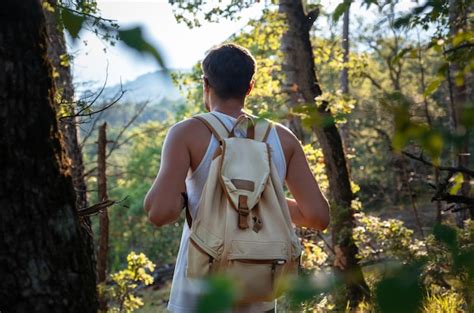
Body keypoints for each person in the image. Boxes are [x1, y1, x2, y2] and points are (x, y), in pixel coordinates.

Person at [144, 43, 330, 313]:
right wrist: (262, 199)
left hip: (198, 294)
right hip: (259, 292)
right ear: (250, 86)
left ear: (206, 83)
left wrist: (192, 196)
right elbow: (318, 216)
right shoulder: (283, 138)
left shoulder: (187, 133)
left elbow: (158, 213)